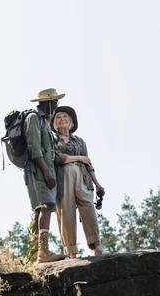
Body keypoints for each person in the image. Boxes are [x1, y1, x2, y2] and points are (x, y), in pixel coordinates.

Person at [51, 105, 109, 257]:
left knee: (88, 209)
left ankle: (97, 246)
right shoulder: (52, 139)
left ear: (71, 121)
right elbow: (58, 158)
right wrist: (78, 158)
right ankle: (71, 253)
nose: (62, 119)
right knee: (66, 213)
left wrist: (97, 184)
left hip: (83, 178)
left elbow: (89, 164)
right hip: (63, 179)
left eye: (65, 117)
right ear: (54, 123)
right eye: (58, 117)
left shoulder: (79, 141)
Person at [25, 88, 66, 263]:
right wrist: (47, 172)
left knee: (39, 210)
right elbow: (34, 148)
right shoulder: (34, 118)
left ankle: (34, 252)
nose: (57, 105)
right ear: (47, 102)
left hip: (41, 170)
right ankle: (43, 252)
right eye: (55, 102)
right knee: (46, 206)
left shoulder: (43, 121)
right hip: (39, 170)